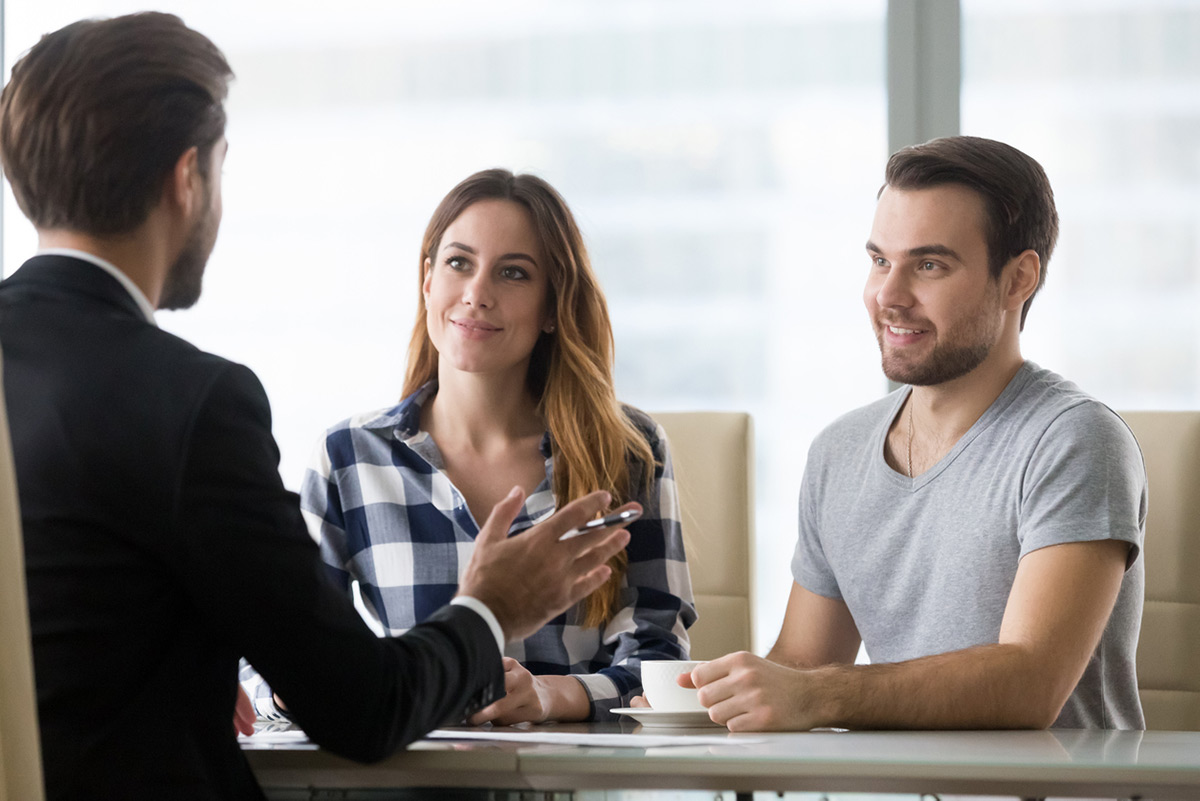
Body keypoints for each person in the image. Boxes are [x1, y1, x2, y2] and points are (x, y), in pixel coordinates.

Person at [0, 14, 633, 801]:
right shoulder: (197, 403)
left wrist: (193, 658)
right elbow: (363, 706)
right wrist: (492, 605)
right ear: (187, 177)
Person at [672, 135, 1146, 732]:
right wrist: (698, 702)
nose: (888, 297)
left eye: (928, 265)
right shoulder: (838, 454)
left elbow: (1030, 683)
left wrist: (818, 695)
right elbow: (801, 667)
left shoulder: (1075, 441)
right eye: (878, 261)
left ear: (1018, 279)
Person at [243, 169, 696, 725]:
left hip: (571, 776)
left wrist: (554, 696)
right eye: (459, 263)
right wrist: (302, 682)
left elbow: (659, 653)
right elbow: (266, 662)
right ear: (428, 280)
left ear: (553, 307)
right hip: (408, 776)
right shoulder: (348, 457)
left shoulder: (629, 451)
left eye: (513, 273)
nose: (477, 294)